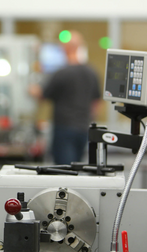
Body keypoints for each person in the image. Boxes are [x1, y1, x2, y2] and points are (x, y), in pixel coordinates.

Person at [29, 30, 101, 165]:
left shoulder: (61, 73)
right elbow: (96, 102)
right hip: (83, 129)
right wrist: (87, 120)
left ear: (65, 49)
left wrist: (32, 90)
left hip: (64, 129)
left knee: (64, 170)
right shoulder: (92, 72)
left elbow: (43, 95)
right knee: (76, 167)